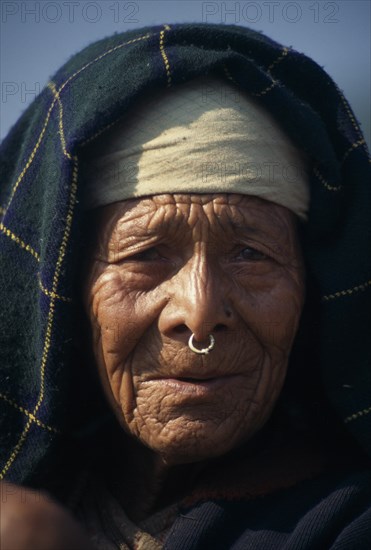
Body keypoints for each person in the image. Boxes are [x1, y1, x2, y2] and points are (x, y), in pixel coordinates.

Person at [0, 22, 370, 549]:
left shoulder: (347, 522)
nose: (198, 313)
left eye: (252, 255)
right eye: (146, 254)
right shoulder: (26, 494)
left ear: (310, 291)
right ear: (65, 290)